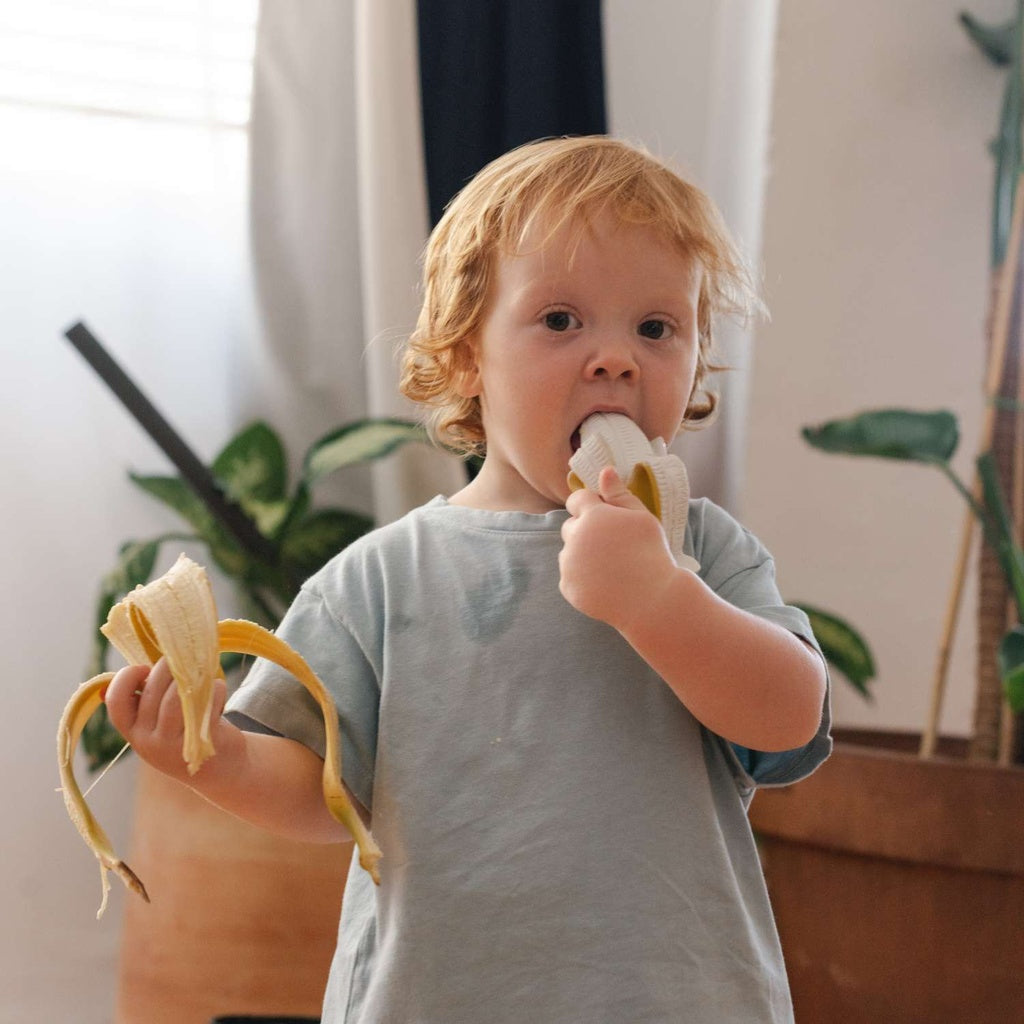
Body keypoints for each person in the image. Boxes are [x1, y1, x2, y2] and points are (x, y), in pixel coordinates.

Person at [106, 136, 831, 1023]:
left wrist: (660, 599)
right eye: (561, 320)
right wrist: (215, 758)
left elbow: (790, 718)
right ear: (464, 358)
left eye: (656, 327)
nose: (616, 358)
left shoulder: (701, 552)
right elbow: (320, 791)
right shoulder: (377, 581)